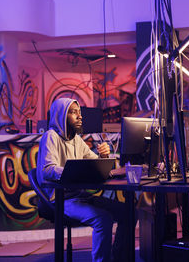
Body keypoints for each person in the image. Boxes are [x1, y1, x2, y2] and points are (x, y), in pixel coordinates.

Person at [36, 98, 127, 262]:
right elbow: (47, 170)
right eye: (73, 112)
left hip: (81, 196)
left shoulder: (77, 140)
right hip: (62, 199)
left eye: (79, 113)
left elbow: (94, 164)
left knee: (126, 212)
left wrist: (103, 156)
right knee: (102, 219)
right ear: (60, 116)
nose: (79, 117)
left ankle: (118, 258)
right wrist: (74, 170)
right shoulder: (51, 137)